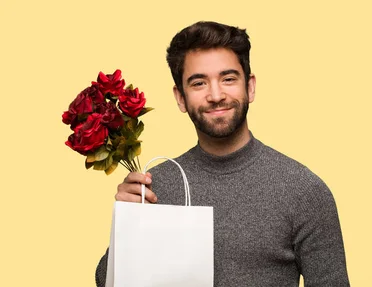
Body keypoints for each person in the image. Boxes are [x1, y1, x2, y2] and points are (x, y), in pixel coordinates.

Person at [95, 21, 350, 286]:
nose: (216, 95)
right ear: (180, 98)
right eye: (198, 83)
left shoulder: (303, 190)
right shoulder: (152, 188)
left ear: (249, 87)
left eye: (228, 79)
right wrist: (126, 223)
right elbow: (107, 283)